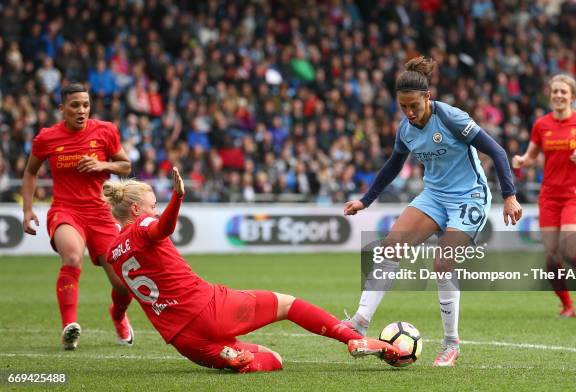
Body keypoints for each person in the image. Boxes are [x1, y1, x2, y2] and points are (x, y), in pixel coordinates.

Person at [101, 167, 399, 373]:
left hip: (184, 341)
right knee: (288, 304)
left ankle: (233, 358)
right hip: (207, 308)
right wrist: (177, 198)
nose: (155, 210)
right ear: (137, 211)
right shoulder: (142, 225)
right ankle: (351, 338)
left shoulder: (113, 253)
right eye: (152, 206)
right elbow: (162, 227)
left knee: (274, 359)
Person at [342, 57, 523, 367]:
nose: (409, 113)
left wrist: (510, 196)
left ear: (427, 96)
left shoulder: (451, 117)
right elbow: (393, 166)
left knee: (442, 263)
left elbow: (497, 151)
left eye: (414, 105)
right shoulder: (405, 129)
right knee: (388, 249)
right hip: (434, 196)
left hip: (470, 196)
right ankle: (360, 321)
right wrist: (366, 200)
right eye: (403, 107)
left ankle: (451, 344)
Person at [21, 83, 134, 350]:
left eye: (85, 105)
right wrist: (27, 210)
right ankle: (69, 328)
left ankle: (118, 316)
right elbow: (30, 172)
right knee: (71, 256)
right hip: (66, 210)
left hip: (101, 213)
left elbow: (126, 166)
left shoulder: (105, 131)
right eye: (74, 105)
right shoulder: (46, 138)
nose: (81, 110)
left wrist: (103, 164)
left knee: (122, 282)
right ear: (62, 109)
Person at [512, 74, 576, 317]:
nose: (559, 96)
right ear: (550, 95)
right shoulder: (541, 124)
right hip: (549, 195)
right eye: (555, 92)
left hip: (574, 194)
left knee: (567, 247)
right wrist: (523, 160)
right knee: (552, 256)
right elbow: (532, 156)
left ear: (572, 97)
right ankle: (567, 306)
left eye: (564, 92)